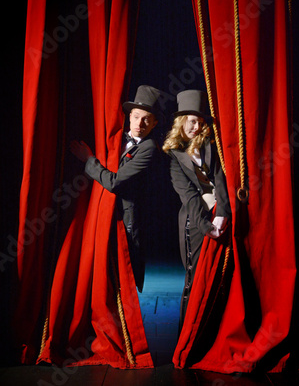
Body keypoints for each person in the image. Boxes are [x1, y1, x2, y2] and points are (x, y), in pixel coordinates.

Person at [70, 85, 163, 293]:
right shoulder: (115, 138)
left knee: (126, 270)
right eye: (136, 116)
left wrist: (88, 160)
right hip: (107, 213)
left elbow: (114, 182)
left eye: (146, 119)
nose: (139, 123)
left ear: (154, 123)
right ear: (129, 116)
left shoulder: (149, 149)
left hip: (128, 219)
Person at [162, 89, 230, 328]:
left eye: (200, 122)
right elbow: (188, 196)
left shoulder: (213, 145)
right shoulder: (174, 155)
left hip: (220, 214)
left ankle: (215, 331)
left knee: (222, 276)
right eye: (192, 121)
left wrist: (222, 214)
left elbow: (222, 181)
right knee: (196, 277)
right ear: (181, 122)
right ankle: (189, 332)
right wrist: (206, 226)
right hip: (196, 221)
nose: (196, 127)